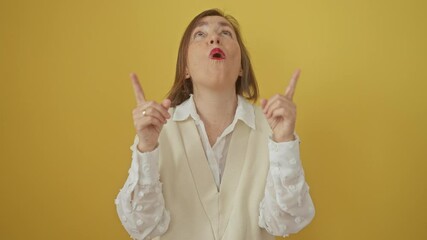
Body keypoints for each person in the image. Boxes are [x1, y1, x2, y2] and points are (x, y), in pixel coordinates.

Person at [115, 8, 315, 240]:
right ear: (186, 68)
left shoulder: (273, 128)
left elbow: (286, 222)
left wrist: (283, 144)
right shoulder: (158, 128)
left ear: (241, 67)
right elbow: (141, 227)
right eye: (200, 34)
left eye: (226, 33)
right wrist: (146, 149)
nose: (214, 38)